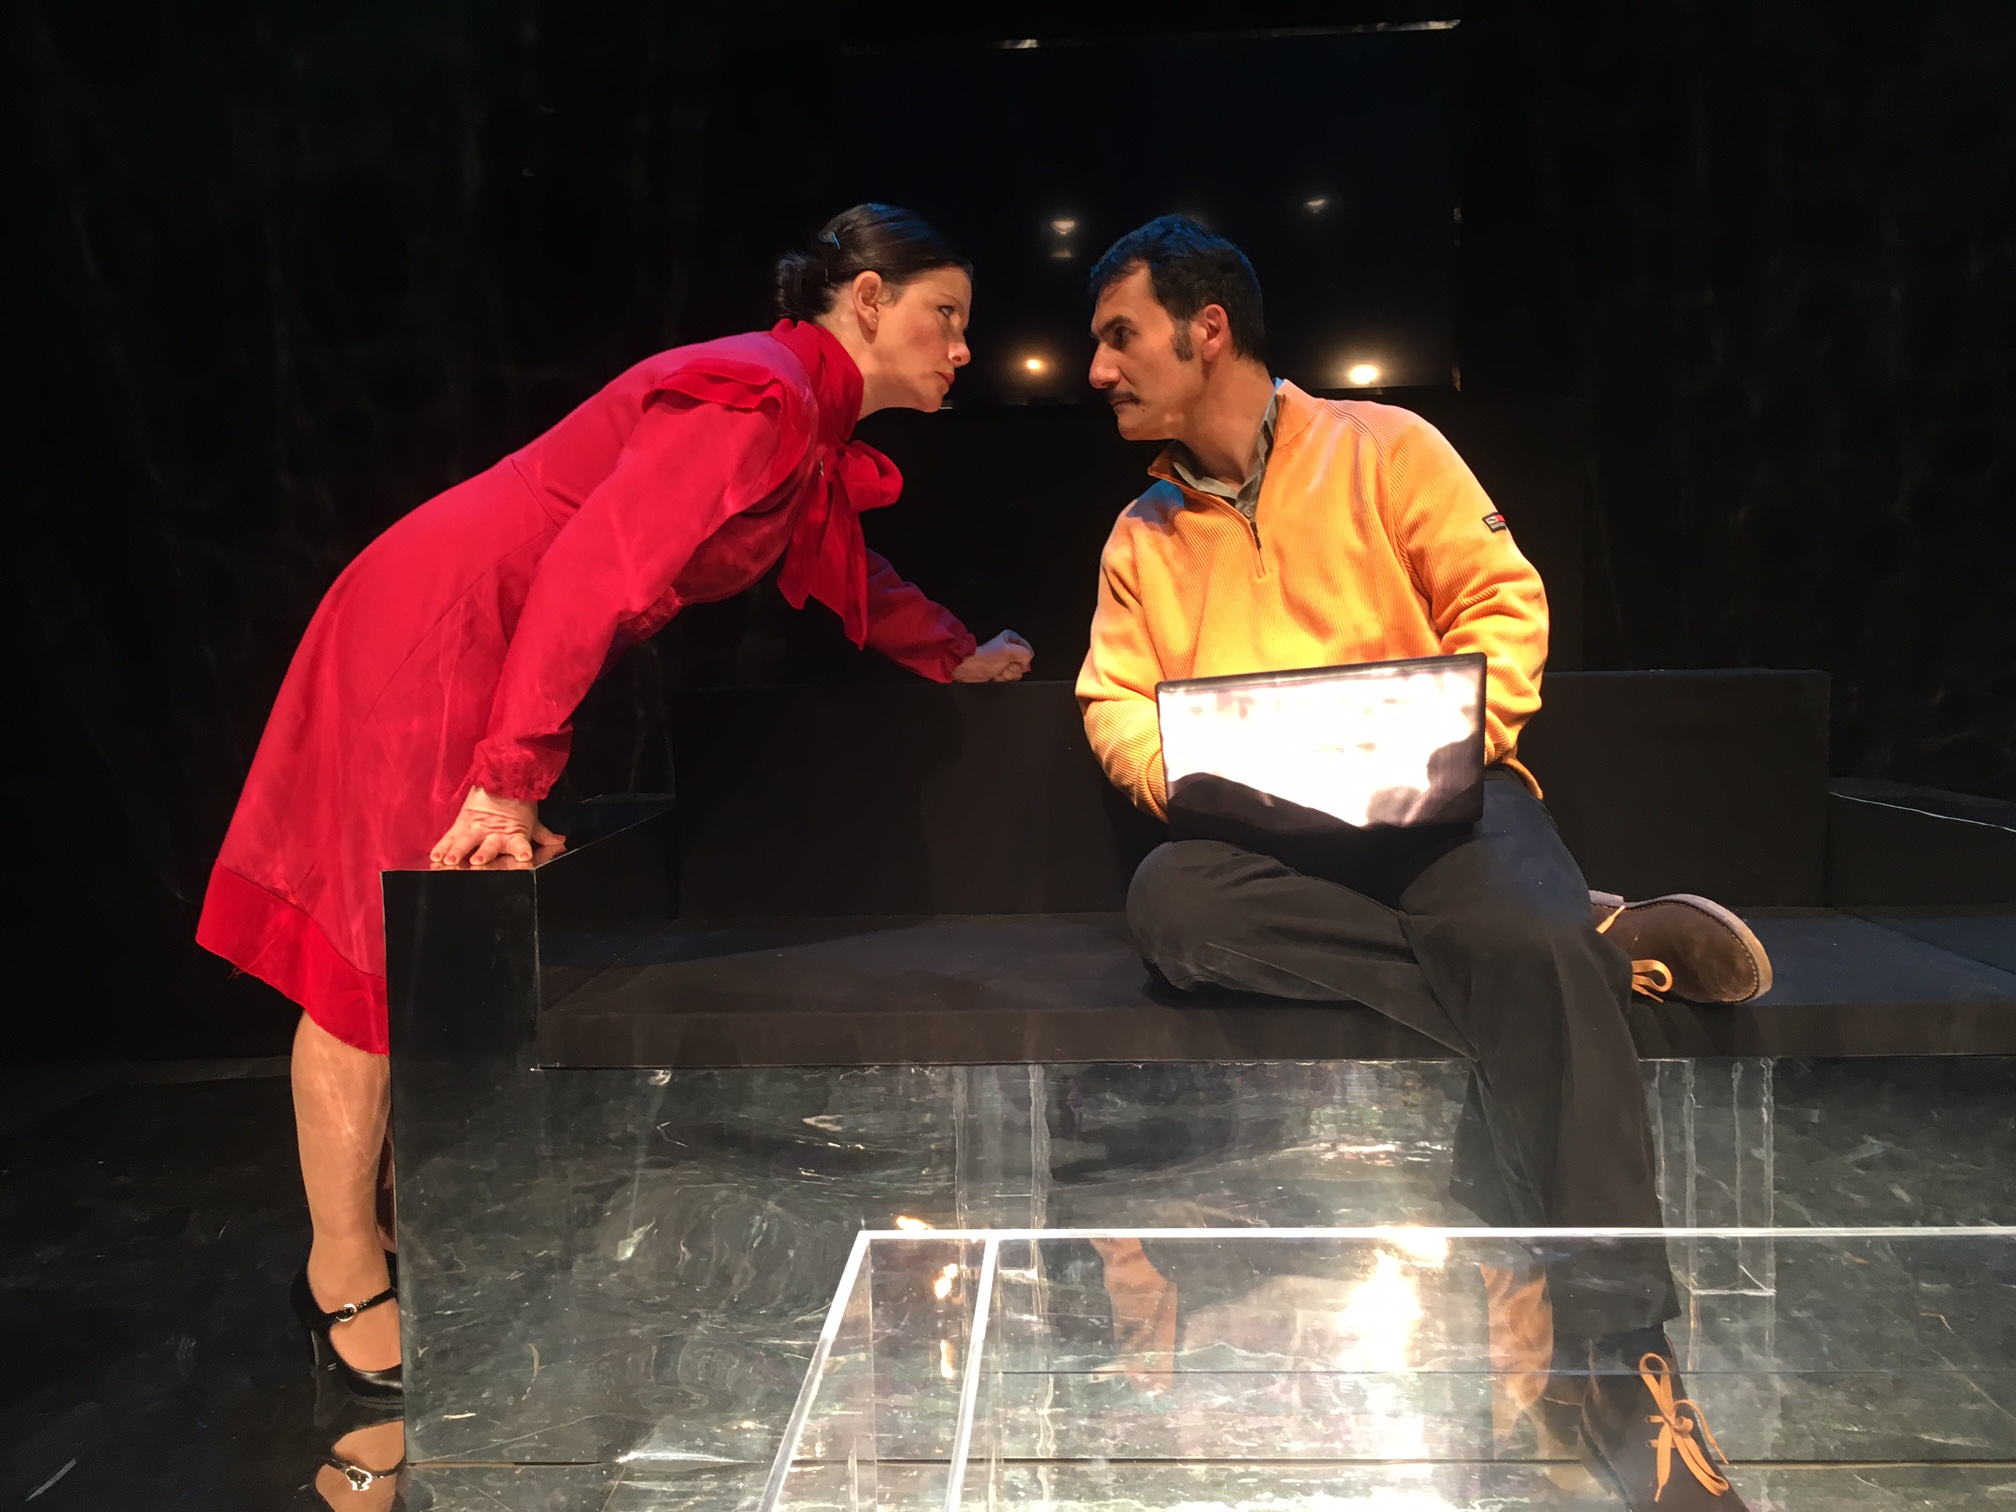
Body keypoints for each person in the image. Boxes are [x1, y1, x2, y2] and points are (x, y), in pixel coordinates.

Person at [197, 204, 1034, 1407]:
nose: (961, 347)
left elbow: (841, 563)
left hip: (494, 633)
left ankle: (378, 1234)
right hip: (443, 623)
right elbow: (593, 573)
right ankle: (337, 1274)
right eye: (944, 314)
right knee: (376, 950)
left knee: (423, 947)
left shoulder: (797, 419)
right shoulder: (756, 395)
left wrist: (950, 654)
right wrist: (509, 774)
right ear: (865, 301)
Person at [1074, 216, 1762, 1510]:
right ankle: (1591, 955)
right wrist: (1200, 778)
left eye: (1121, 335)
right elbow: (1113, 702)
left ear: (1206, 329)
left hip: (1440, 808)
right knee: (1172, 904)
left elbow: (1502, 604)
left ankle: (1620, 1358)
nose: (1101, 368)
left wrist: (1442, 746)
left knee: (1516, 927)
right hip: (1266, 841)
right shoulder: (1140, 535)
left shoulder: (1385, 447)